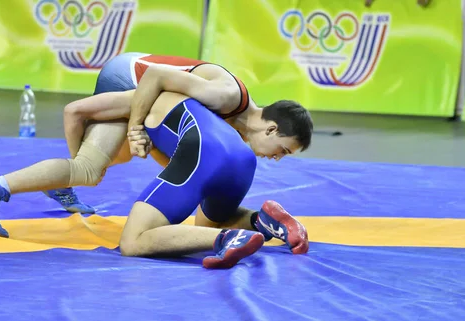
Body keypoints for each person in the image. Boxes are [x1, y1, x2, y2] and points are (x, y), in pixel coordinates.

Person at [0, 87, 311, 268]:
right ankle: (262, 221)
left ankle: (227, 240)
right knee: (210, 219)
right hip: (238, 157)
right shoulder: (211, 104)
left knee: (131, 240)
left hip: (203, 150)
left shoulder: (144, 96)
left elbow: (75, 110)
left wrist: (81, 159)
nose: (278, 158)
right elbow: (175, 156)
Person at [42, 52, 303, 214]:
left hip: (150, 93)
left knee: (120, 157)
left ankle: (64, 180)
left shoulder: (237, 131)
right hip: (131, 75)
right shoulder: (226, 97)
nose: (278, 158)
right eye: (284, 150)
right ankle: (63, 179)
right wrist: (135, 129)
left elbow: (176, 158)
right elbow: (155, 75)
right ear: (271, 129)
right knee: (95, 163)